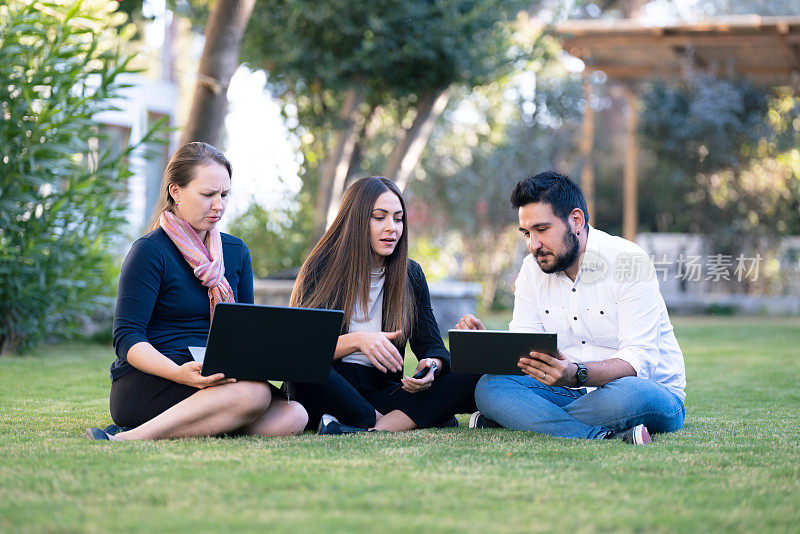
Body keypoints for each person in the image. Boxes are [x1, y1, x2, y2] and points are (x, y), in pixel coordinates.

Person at [84, 142, 308, 440]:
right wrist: (178, 373)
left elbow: (246, 332)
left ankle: (204, 420)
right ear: (175, 192)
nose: (219, 205)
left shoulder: (236, 251)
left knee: (294, 415)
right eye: (208, 195)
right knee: (254, 396)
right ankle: (129, 437)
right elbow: (127, 337)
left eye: (224, 195)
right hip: (154, 378)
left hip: (217, 374)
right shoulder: (150, 251)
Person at [455, 171, 686, 445]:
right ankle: (598, 435)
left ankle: (522, 418)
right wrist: (492, 346)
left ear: (576, 220)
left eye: (542, 230)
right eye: (526, 233)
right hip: (566, 390)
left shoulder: (628, 261)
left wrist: (576, 373)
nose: (533, 244)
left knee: (632, 396)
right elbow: (527, 349)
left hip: (643, 391)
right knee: (491, 387)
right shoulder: (532, 269)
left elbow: (639, 362)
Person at [284, 176, 478, 434]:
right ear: (356, 220)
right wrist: (358, 341)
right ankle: (401, 420)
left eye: (398, 219)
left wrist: (431, 366)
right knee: (305, 366)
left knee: (470, 374)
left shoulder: (411, 274)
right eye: (379, 217)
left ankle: (363, 425)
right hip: (329, 385)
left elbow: (431, 345)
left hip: (380, 389)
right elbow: (299, 350)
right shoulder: (321, 268)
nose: (392, 228)